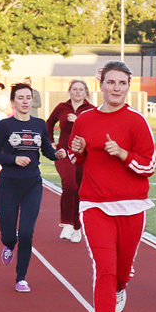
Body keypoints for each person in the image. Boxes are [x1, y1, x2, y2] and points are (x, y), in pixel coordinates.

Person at [68, 61, 156, 312]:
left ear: (128, 86)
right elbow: (73, 156)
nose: (116, 88)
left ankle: (121, 284)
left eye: (121, 83)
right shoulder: (85, 119)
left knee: (121, 269)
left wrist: (122, 154)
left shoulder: (137, 121)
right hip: (94, 204)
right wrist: (78, 151)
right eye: (111, 83)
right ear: (100, 84)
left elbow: (149, 165)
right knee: (104, 267)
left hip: (132, 206)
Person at [0, 83, 66, 293]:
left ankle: (21, 277)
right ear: (13, 102)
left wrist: (57, 154)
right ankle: (9, 244)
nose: (24, 101)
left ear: (32, 101)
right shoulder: (5, 125)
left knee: (27, 231)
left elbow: (47, 150)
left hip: (32, 183)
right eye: (20, 98)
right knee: (9, 233)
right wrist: (14, 159)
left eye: (28, 98)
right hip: (9, 184)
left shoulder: (40, 124)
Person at [46, 79, 95, 243]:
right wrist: (50, 141)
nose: (78, 92)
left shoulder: (91, 109)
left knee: (80, 189)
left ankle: (77, 226)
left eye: (81, 89)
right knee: (69, 185)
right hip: (64, 153)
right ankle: (67, 223)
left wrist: (79, 120)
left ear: (85, 92)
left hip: (83, 154)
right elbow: (49, 123)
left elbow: (96, 129)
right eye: (75, 89)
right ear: (70, 91)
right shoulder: (62, 107)